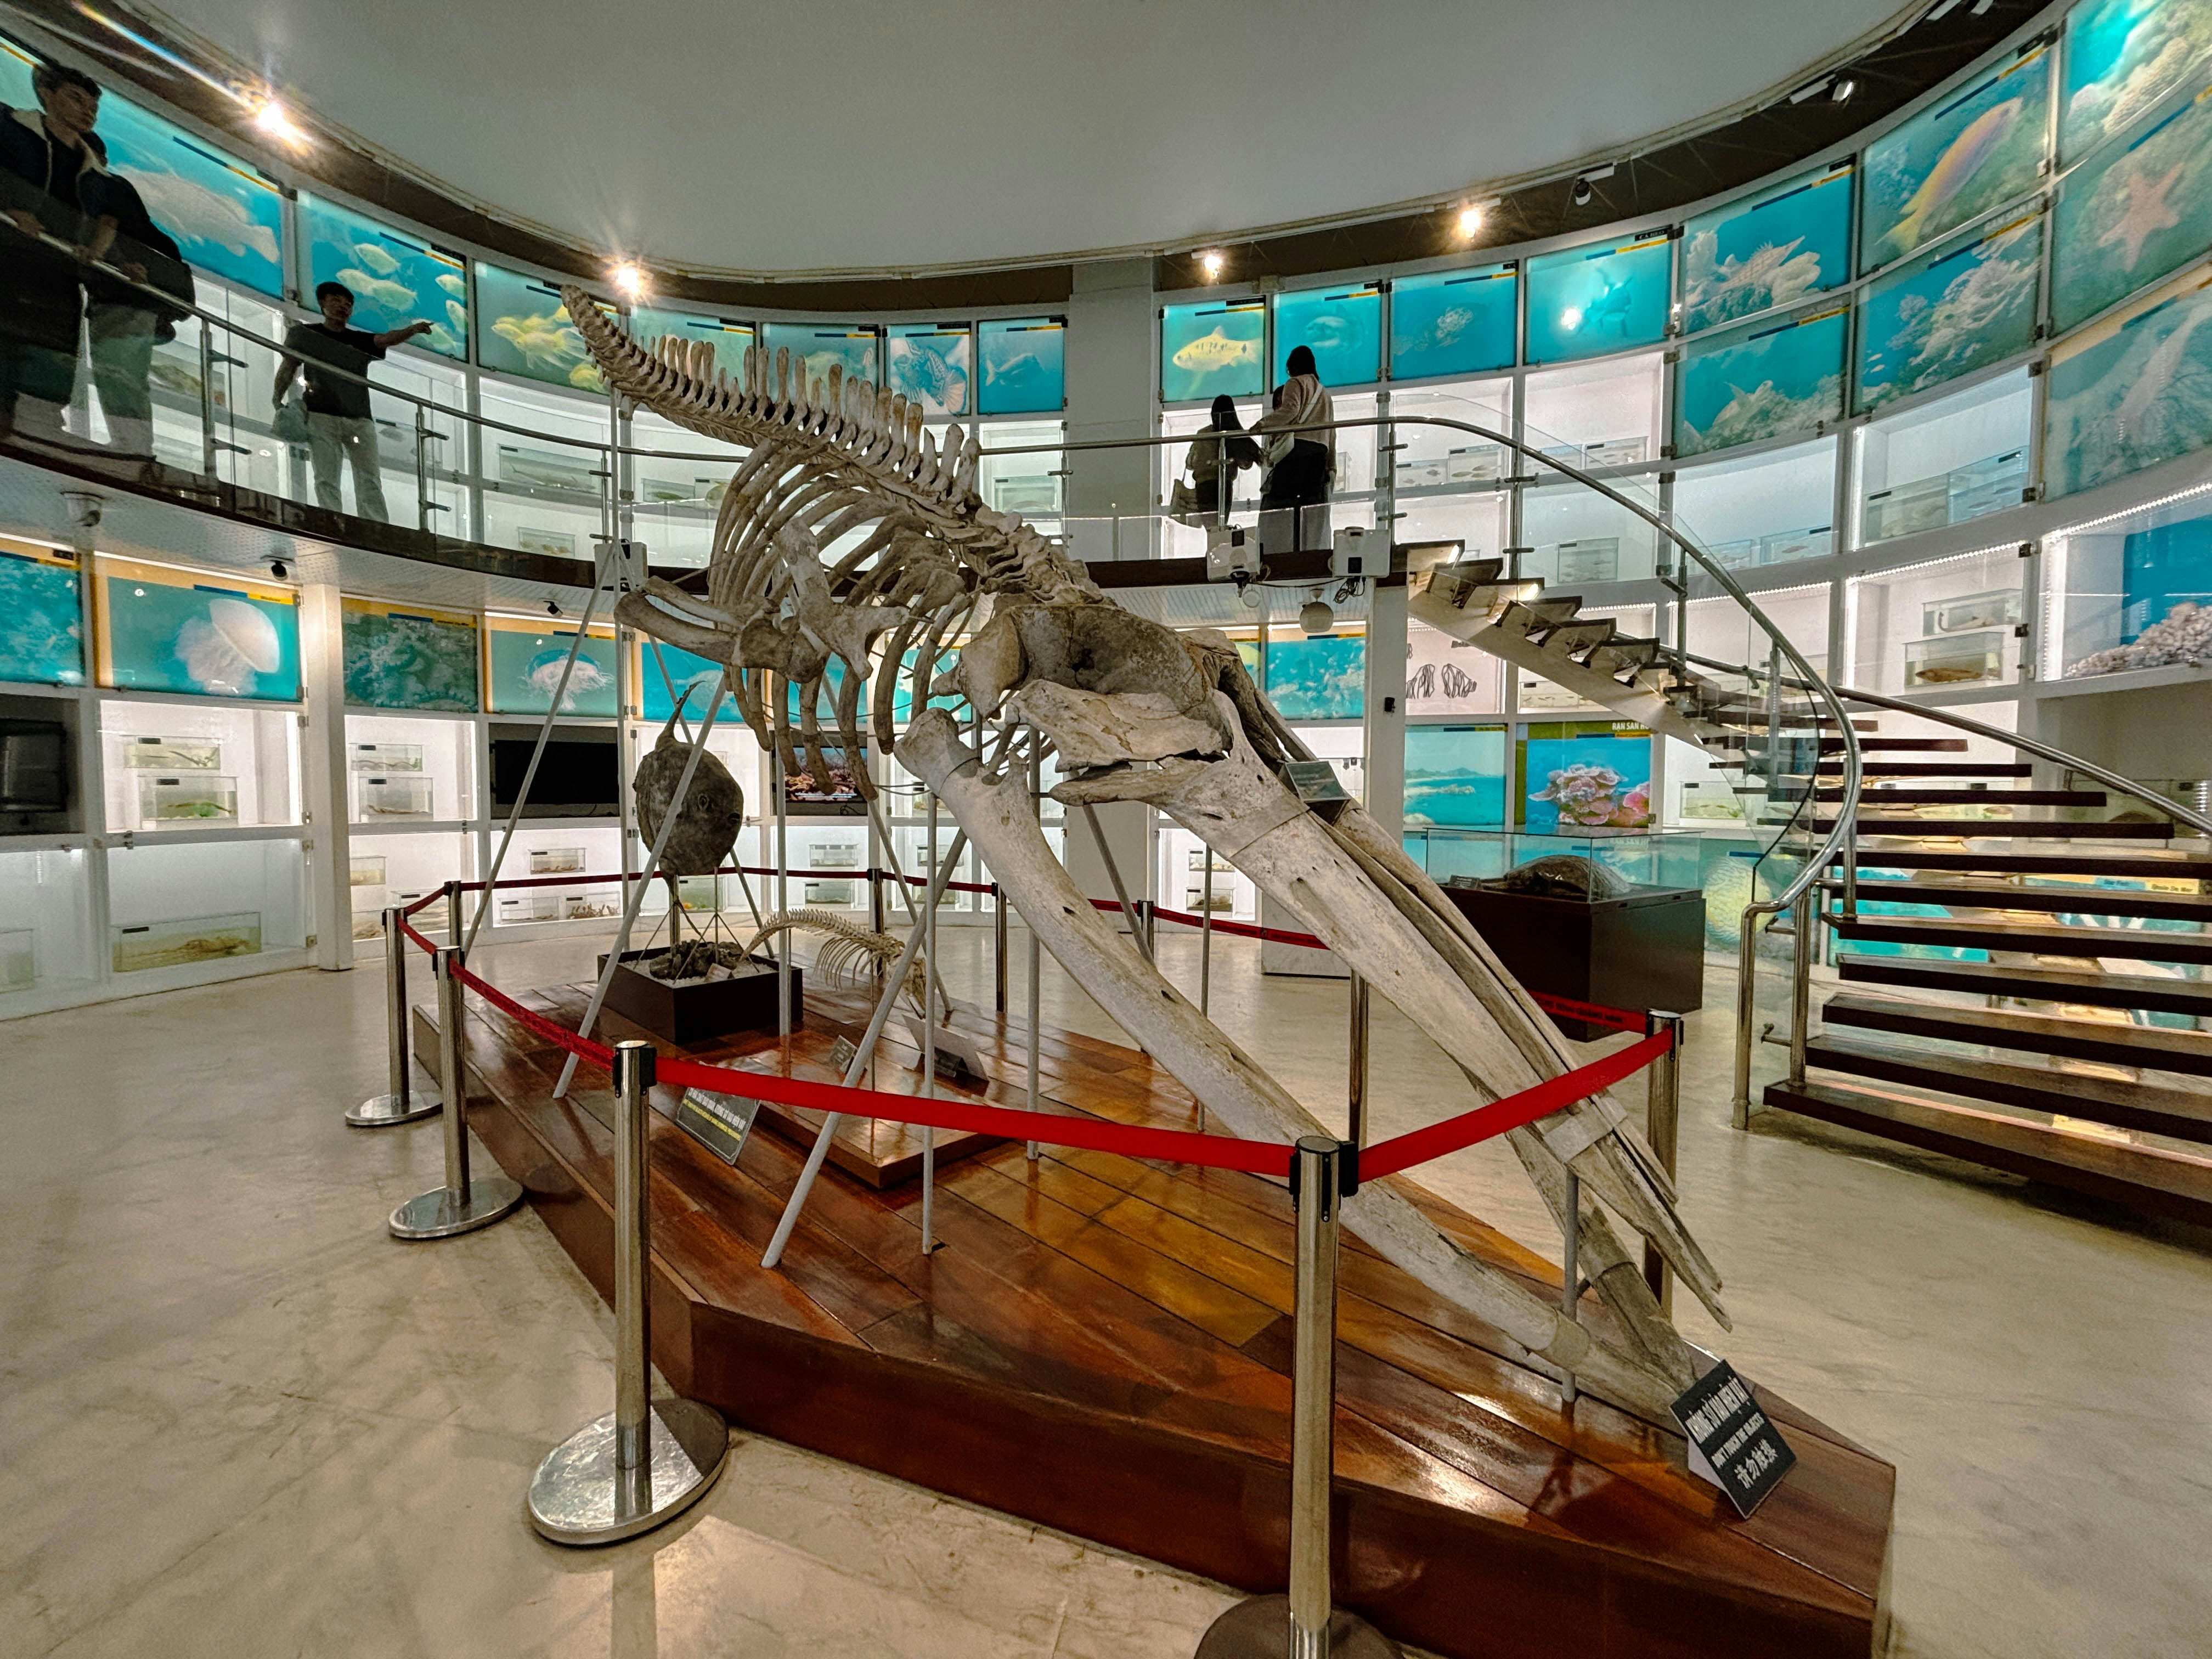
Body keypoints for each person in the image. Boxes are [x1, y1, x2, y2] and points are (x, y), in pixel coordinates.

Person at [0, 63, 115, 445]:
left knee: (54, 358)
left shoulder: (95, 170)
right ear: (47, 96)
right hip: (10, 259)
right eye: (76, 100)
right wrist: (13, 209)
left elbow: (108, 222)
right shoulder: (12, 130)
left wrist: (97, 254)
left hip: (60, 274)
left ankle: (40, 430)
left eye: (93, 107)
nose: (88, 112)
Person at [272, 281, 433, 522]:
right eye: (336, 300)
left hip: (359, 419)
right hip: (322, 415)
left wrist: (412, 330)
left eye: (348, 304)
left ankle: (376, 526)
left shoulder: (358, 341)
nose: (343, 307)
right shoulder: (305, 336)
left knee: (368, 477)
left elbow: (386, 339)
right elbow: (288, 366)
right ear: (322, 303)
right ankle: (332, 522)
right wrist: (277, 397)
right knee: (327, 476)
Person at [82, 171, 193, 462]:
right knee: (129, 376)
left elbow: (107, 228)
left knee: (117, 374)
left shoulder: (104, 198)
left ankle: (130, 445)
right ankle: (134, 443)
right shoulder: (160, 239)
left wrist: (96, 256)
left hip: (120, 305)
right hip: (145, 314)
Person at [1254, 344, 1334, 555]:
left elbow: (1290, 411)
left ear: (1292, 366)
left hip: (1298, 451)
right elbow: (1332, 432)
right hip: (1319, 454)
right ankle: (1307, 554)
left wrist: (1263, 425)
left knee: (1279, 502)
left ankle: (1278, 552)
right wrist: (1331, 466)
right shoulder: (1325, 394)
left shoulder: (1295, 383)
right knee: (1310, 509)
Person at [1178, 394, 1260, 522]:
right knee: (1220, 525)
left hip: (1204, 486)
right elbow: (1246, 464)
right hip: (1224, 486)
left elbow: (1190, 463)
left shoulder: (1203, 434)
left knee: (1210, 527)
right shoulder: (1235, 435)